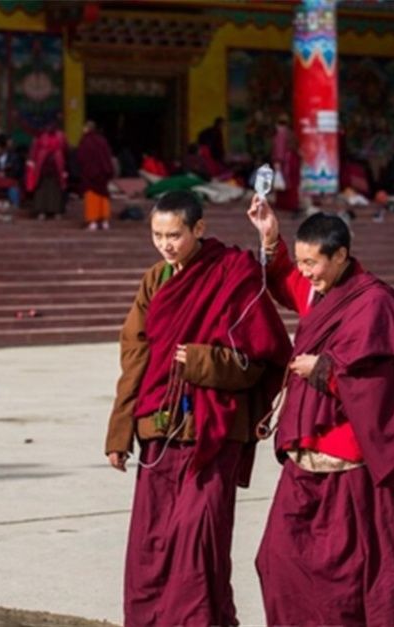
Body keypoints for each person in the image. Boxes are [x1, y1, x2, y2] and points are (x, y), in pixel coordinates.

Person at [246, 196, 394, 627]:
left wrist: (325, 370)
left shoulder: (375, 304)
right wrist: (269, 237)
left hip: (353, 460)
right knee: (276, 559)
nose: (305, 272)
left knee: (355, 570)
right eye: (301, 261)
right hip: (305, 453)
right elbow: (283, 281)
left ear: (342, 256)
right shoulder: (319, 293)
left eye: (313, 262)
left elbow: (387, 383)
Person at [106, 190, 291, 626]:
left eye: (174, 235)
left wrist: (206, 362)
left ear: (198, 229)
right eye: (158, 235)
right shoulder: (156, 280)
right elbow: (135, 359)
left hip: (213, 431)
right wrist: (119, 435)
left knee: (199, 542)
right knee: (151, 546)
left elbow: (260, 360)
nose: (166, 245)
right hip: (158, 430)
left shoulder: (232, 273)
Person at [76, 120, 115, 230]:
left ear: (87, 129)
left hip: (89, 174)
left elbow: (81, 157)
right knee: (103, 196)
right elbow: (107, 156)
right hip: (102, 174)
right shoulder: (102, 141)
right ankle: (104, 221)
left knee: (91, 196)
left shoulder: (85, 141)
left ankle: (92, 221)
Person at [26, 123, 68, 220]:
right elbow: (34, 150)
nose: (50, 128)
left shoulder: (61, 135)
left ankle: (56, 211)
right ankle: (41, 211)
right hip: (42, 165)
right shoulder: (40, 136)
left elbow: (65, 149)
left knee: (56, 188)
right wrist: (31, 163)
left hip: (57, 165)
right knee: (41, 188)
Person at [271, 114, 301, 213]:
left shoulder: (280, 134)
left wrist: (278, 161)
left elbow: (279, 149)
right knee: (292, 183)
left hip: (285, 161)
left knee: (284, 182)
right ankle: (292, 203)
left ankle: (285, 204)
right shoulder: (290, 133)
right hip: (293, 160)